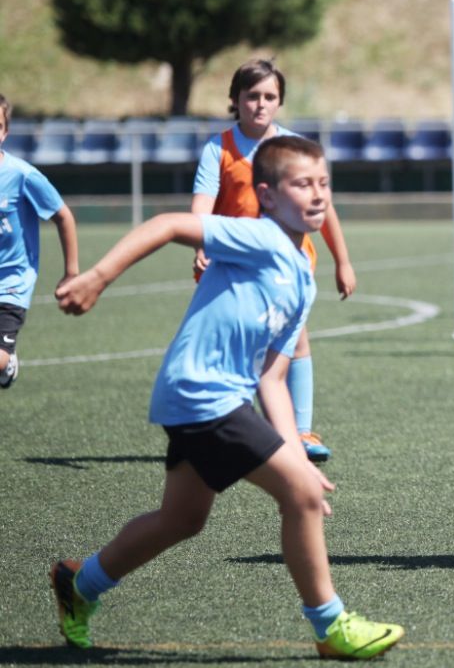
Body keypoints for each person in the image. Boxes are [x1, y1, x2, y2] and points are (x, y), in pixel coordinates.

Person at [50, 136, 403, 659]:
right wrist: (97, 277)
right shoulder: (259, 236)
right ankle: (331, 627)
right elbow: (168, 225)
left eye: (324, 183)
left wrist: (297, 455)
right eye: (302, 184)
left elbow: (273, 379)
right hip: (202, 393)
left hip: (217, 398)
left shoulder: (302, 279)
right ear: (268, 195)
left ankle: (79, 583)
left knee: (183, 519)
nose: (318, 194)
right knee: (300, 498)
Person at [191, 59, 356, 463]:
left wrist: (343, 261)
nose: (261, 104)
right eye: (252, 96)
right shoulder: (218, 149)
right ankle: (230, 429)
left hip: (289, 264)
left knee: (295, 341)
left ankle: (301, 432)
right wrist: (201, 241)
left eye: (270, 96)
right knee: (234, 343)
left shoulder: (295, 150)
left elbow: (323, 207)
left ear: (280, 101)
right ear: (235, 99)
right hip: (237, 266)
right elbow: (202, 204)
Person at [0, 94, 79, 390]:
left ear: (5, 132)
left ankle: (7, 360)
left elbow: (63, 216)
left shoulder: (22, 175)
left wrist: (71, 273)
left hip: (11, 283)